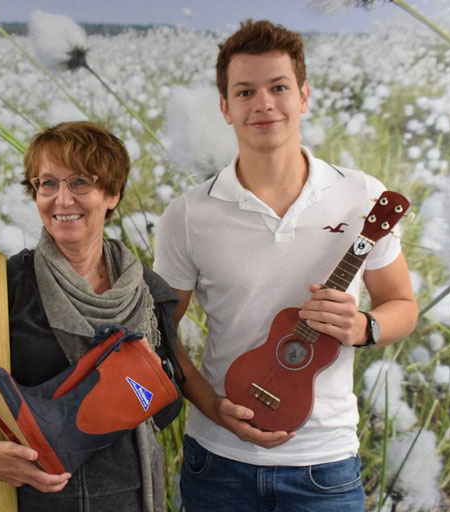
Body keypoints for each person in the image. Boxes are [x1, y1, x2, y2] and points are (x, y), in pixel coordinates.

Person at [153, 20, 419, 510]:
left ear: (304, 96)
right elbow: (159, 334)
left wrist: (365, 326)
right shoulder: (188, 215)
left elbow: (402, 303)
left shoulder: (362, 196)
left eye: (278, 87)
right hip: (217, 461)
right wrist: (211, 406)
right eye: (245, 91)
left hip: (326, 464)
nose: (264, 104)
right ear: (225, 107)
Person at [0, 121, 181, 512]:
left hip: (134, 499)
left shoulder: (149, 292)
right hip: (35, 502)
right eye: (47, 184)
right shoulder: (6, 285)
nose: (62, 200)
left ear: (112, 194)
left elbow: (165, 405)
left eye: (80, 182)